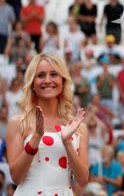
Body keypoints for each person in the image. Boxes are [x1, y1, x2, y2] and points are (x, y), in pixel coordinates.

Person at [6, 52, 89, 195]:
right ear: (32, 83)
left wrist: (67, 142)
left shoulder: (78, 127)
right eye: (41, 75)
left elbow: (82, 180)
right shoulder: (18, 123)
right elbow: (16, 177)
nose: (47, 80)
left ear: (63, 81)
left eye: (54, 74)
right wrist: (36, 137)